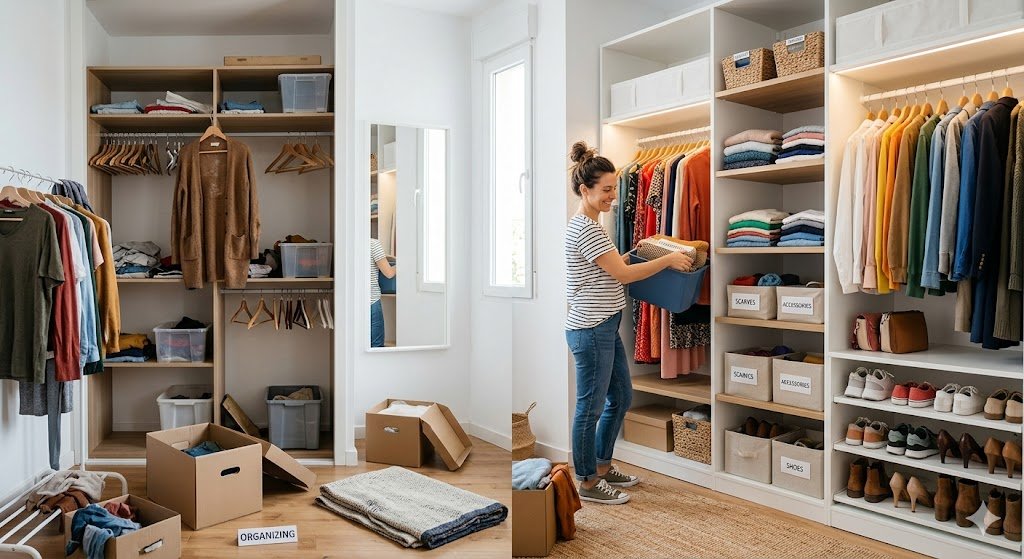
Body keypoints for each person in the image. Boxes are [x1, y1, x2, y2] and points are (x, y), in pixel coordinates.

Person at [565, 141, 692, 504]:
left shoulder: (592, 227)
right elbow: (621, 275)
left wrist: (639, 252)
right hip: (590, 329)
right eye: (606, 190)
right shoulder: (585, 229)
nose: (613, 196)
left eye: (615, 188)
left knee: (620, 397)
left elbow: (607, 268)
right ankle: (587, 482)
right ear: (584, 189)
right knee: (589, 407)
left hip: (603, 325)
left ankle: (603, 466)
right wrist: (666, 261)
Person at [370, 238, 395, 347]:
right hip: (371, 300)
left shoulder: (344, 243)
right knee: (376, 346)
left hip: (350, 302)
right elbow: (389, 273)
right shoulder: (372, 244)